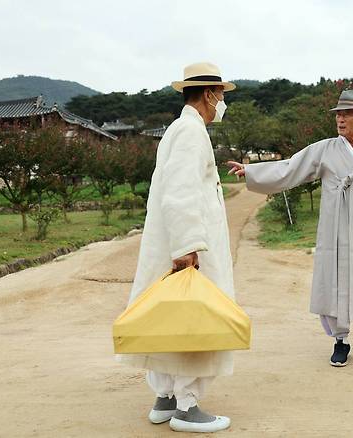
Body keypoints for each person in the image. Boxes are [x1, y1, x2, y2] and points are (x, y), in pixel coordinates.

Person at [228, 89, 353, 370]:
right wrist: (252, 172)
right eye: (338, 113)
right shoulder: (325, 149)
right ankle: (340, 341)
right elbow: (291, 168)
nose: (340, 119)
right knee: (333, 283)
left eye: (347, 113)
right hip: (334, 232)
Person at [117, 62, 236, 433]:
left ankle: (165, 397)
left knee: (168, 318)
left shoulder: (182, 128)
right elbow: (181, 191)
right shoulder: (189, 131)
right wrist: (188, 247)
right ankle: (187, 404)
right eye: (220, 95)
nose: (222, 103)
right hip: (187, 247)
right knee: (192, 320)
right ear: (208, 94)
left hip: (178, 243)